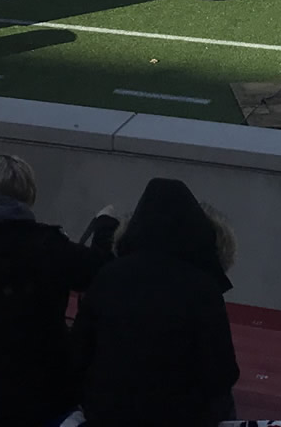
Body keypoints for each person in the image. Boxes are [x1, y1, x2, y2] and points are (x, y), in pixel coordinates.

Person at [0, 155, 116, 427]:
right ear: (27, 194)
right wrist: (105, 228)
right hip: (41, 396)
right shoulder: (48, 246)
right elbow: (100, 274)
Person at [73, 177, 239, 427]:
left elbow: (79, 353)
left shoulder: (110, 276)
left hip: (108, 414)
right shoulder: (202, 288)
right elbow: (222, 372)